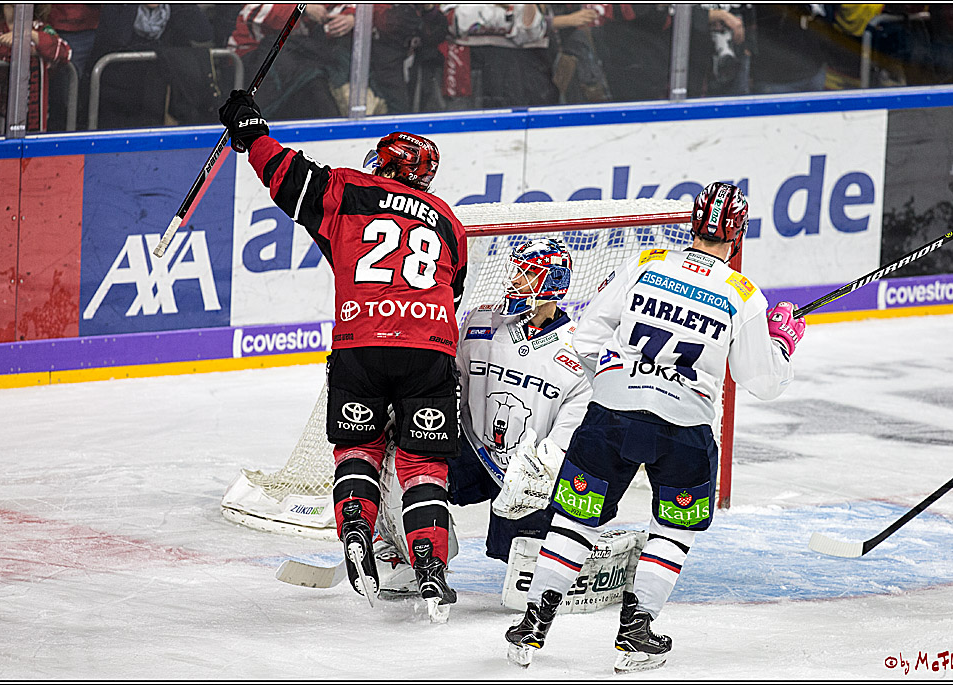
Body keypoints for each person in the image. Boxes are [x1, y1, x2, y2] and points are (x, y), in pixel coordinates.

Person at [503, 183, 806, 672]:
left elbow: (586, 337)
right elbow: (763, 382)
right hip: (683, 429)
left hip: (611, 418)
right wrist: (781, 343)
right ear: (739, 233)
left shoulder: (647, 262)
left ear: (693, 223)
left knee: (575, 520)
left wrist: (618, 384)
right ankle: (635, 633)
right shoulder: (743, 294)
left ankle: (532, 625)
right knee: (673, 528)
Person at [217, 90, 468, 621]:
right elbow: (454, 290)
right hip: (429, 349)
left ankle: (355, 528)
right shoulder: (449, 221)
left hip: (361, 346)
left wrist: (250, 130)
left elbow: (285, 174)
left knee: (358, 448)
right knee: (423, 463)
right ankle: (430, 563)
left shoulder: (348, 189)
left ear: (384, 162)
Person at [373, 238, 593, 594]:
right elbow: (448, 384)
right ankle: (412, 557)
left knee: (528, 581)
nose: (515, 279)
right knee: (402, 457)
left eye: (527, 273)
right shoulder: (480, 321)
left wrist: (542, 469)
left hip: (527, 472)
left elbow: (568, 432)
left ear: (552, 283)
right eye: (516, 270)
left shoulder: (579, 350)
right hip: (470, 451)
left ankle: (581, 548)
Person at [0, 4, 72, 136]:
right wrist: (30, 50)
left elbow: (65, 52)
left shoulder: (38, 27)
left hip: (30, 117)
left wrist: (31, 35)